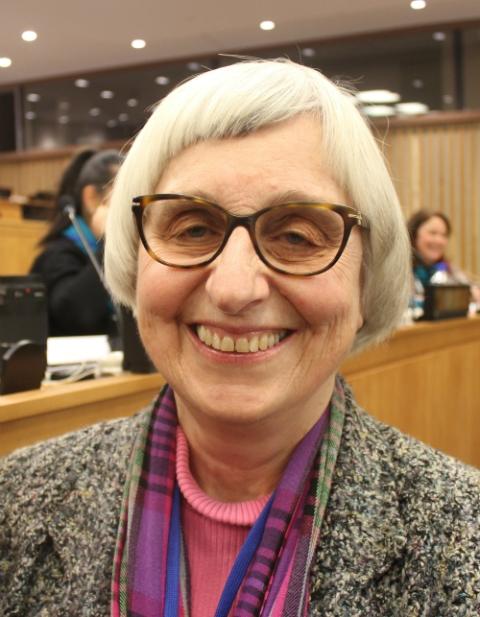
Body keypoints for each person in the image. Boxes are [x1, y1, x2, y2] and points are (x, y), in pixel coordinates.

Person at [1, 60, 479, 616]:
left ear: (366, 275)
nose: (233, 289)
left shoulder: (462, 535)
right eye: (193, 228)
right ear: (136, 256)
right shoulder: (16, 499)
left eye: (298, 235)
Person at [30, 148, 122, 336]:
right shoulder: (56, 256)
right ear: (91, 199)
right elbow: (78, 318)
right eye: (124, 194)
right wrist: (111, 242)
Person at [407, 208, 480, 306]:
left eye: (444, 235)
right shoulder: (401, 271)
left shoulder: (448, 269)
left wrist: (472, 293)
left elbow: (472, 288)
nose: (439, 241)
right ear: (414, 235)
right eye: (433, 233)